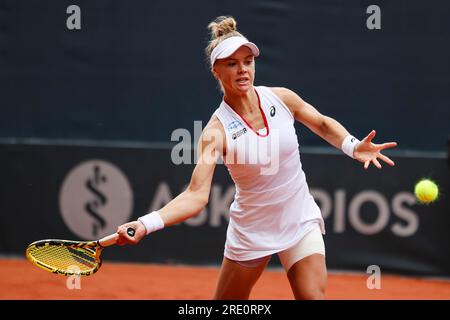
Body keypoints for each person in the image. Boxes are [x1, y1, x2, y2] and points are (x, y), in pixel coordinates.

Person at [116, 16, 397, 300]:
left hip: (298, 217)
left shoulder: (282, 98)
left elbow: (323, 124)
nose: (242, 70)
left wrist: (352, 145)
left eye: (248, 62)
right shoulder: (215, 131)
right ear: (216, 70)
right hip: (252, 228)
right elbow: (196, 195)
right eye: (231, 63)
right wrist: (145, 223)